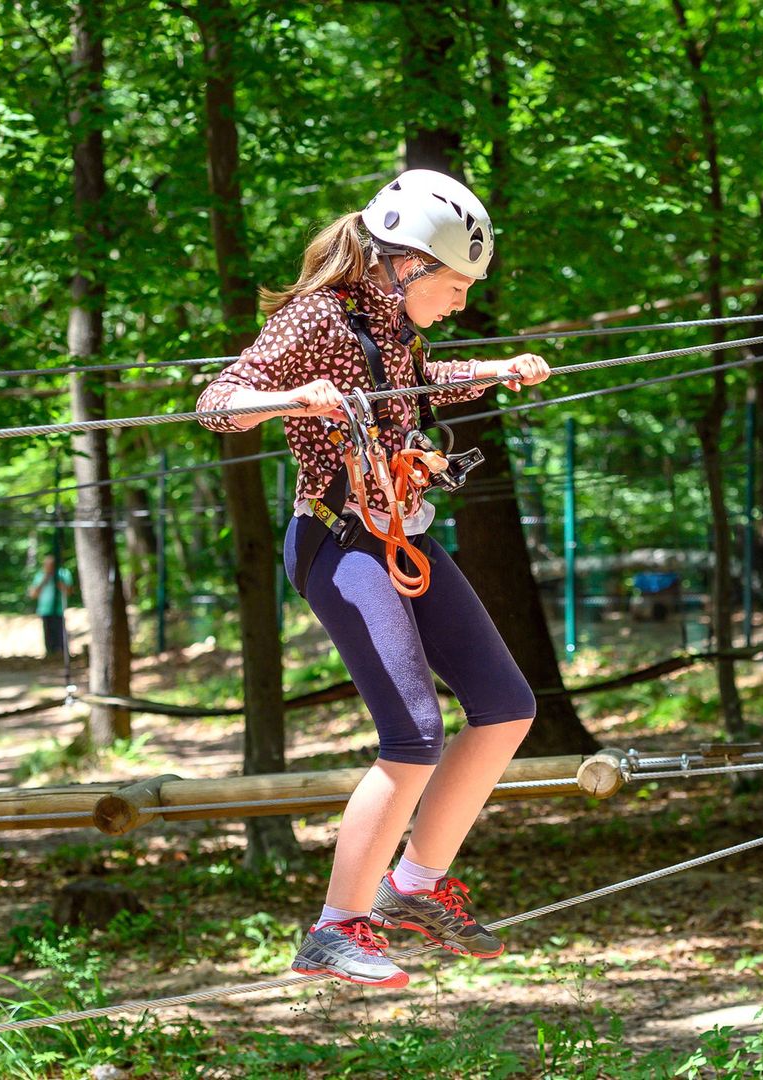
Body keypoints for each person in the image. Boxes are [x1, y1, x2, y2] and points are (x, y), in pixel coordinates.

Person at [197, 170, 550, 988]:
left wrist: (494, 370)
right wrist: (293, 396)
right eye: (456, 284)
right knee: (414, 735)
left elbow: (410, 388)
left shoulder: (389, 323)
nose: (460, 300)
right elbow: (216, 403)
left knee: (505, 707)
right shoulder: (317, 316)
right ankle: (333, 927)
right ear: (405, 263)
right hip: (335, 538)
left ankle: (415, 886)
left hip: (399, 532)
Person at [27, 554, 73, 661]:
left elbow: (70, 591)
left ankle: (62, 653)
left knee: (60, 632)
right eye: (46, 564)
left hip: (59, 609)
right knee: (48, 633)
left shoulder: (63, 574)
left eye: (51, 565)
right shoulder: (40, 575)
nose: (48, 567)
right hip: (45, 610)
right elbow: (33, 594)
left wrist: (57, 580)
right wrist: (45, 579)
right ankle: (50, 654)